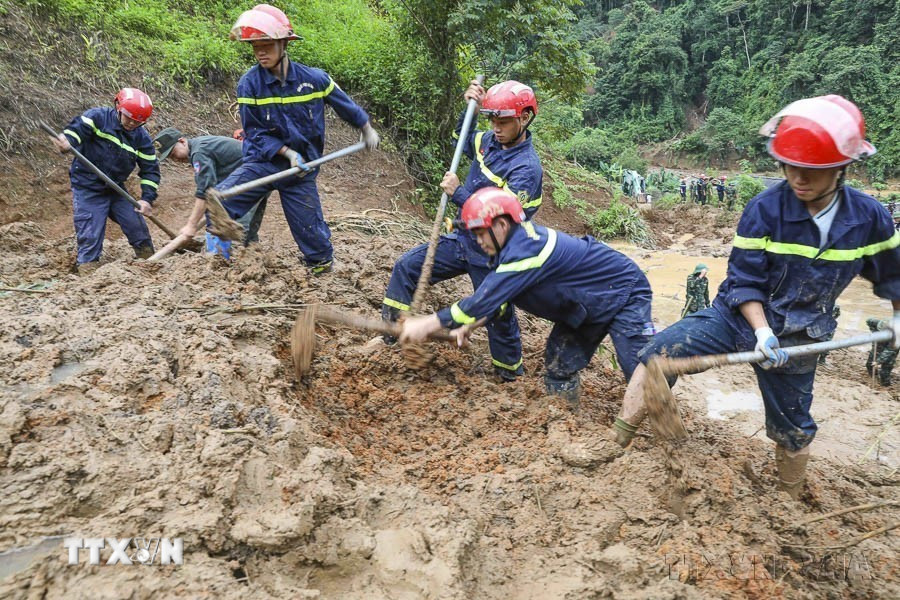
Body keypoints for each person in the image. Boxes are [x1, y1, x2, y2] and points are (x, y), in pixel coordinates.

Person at [604, 94, 900, 500]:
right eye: (789, 166)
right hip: (737, 316)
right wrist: (761, 333)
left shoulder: (869, 218)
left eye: (811, 170)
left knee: (793, 428)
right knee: (658, 355)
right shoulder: (764, 208)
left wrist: (898, 317)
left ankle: (788, 497)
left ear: (842, 167)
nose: (797, 178)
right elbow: (745, 280)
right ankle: (615, 441)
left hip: (803, 332)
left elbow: (894, 276)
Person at [398, 187, 656, 407]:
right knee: (559, 367)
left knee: (643, 374)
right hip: (583, 305)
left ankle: (667, 433)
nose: (478, 242)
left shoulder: (527, 250)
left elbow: (480, 302)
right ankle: (569, 424)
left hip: (623, 292)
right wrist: (469, 326)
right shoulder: (508, 253)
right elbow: (498, 300)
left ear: (500, 225)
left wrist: (427, 323)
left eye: (480, 234)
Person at [382, 79, 543, 382]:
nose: (496, 126)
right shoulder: (489, 141)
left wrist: (459, 194)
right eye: (492, 119)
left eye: (504, 120)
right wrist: (470, 107)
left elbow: (501, 219)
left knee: (497, 311)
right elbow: (462, 138)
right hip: (461, 240)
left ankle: (510, 375)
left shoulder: (527, 170)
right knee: (406, 268)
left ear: (524, 118)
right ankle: (391, 335)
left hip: (493, 253)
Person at [216, 4, 380, 274]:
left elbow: (345, 105)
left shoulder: (314, 79)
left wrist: (366, 128)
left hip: (302, 170)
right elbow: (254, 132)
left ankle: (321, 270)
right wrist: (286, 153)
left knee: (314, 239)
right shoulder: (249, 84)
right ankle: (215, 262)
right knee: (222, 203)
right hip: (264, 161)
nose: (259, 52)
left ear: (284, 44)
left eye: (266, 44)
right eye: (254, 46)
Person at [53, 87, 159, 273]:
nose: (132, 124)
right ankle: (88, 269)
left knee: (136, 224)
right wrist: (67, 140)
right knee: (90, 232)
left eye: (138, 121)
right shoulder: (97, 117)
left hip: (115, 189)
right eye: (129, 118)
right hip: (88, 187)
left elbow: (150, 170)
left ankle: (149, 262)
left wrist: (146, 198)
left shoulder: (142, 139)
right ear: (118, 106)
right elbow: (76, 131)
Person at [153, 127, 269, 252]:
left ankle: (229, 264)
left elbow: (205, 191)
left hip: (253, 177)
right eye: (170, 157)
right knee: (249, 233)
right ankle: (254, 260)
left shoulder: (199, 152)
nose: (174, 159)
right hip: (263, 173)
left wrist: (191, 225)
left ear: (182, 141)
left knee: (234, 226)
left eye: (173, 153)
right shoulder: (201, 145)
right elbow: (214, 188)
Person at [865, 317, 898, 386]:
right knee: (869, 364)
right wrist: (874, 332)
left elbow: (889, 351)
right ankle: (875, 376)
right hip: (880, 344)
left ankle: (885, 384)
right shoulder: (874, 321)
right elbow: (868, 321)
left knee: (885, 371)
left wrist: (878, 361)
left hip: (891, 350)